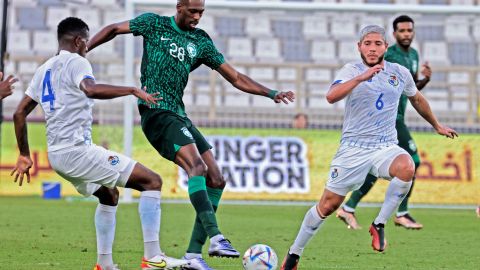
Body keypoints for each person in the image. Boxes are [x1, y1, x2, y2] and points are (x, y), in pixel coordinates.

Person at [86, 0, 295, 269]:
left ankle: (193, 254)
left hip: (179, 114)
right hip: (157, 112)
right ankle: (216, 235)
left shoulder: (200, 41)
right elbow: (114, 29)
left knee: (217, 179)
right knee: (196, 167)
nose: (197, 16)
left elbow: (236, 77)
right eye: (193, 11)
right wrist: (83, 51)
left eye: (201, 12)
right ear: (179, 7)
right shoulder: (154, 24)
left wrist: (271, 93)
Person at [10, 17, 188, 270]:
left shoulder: (44, 69)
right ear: (79, 41)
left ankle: (104, 265)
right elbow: (90, 89)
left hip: (58, 155)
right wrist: (132, 90)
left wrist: (25, 155)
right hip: (77, 152)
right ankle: (153, 256)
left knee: (109, 194)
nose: (88, 46)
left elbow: (19, 113)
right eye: (86, 41)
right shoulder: (78, 62)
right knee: (152, 181)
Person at [280, 25, 457, 270]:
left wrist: (436, 125)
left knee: (407, 166)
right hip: (354, 148)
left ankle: (380, 223)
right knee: (328, 206)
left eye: (377, 44)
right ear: (359, 47)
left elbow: (417, 98)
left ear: (386, 47)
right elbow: (331, 96)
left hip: (385, 146)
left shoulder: (399, 72)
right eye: (367, 43)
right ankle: (294, 253)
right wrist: (361, 77)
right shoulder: (351, 69)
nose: (372, 48)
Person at [337, 15, 432, 230]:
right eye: (402, 31)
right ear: (394, 34)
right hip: (389, 119)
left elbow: (410, 89)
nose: (406, 34)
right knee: (413, 161)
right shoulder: (390, 56)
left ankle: (349, 207)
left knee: (379, 166)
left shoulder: (414, 55)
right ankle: (402, 212)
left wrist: (425, 80)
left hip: (399, 116)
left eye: (409, 30)